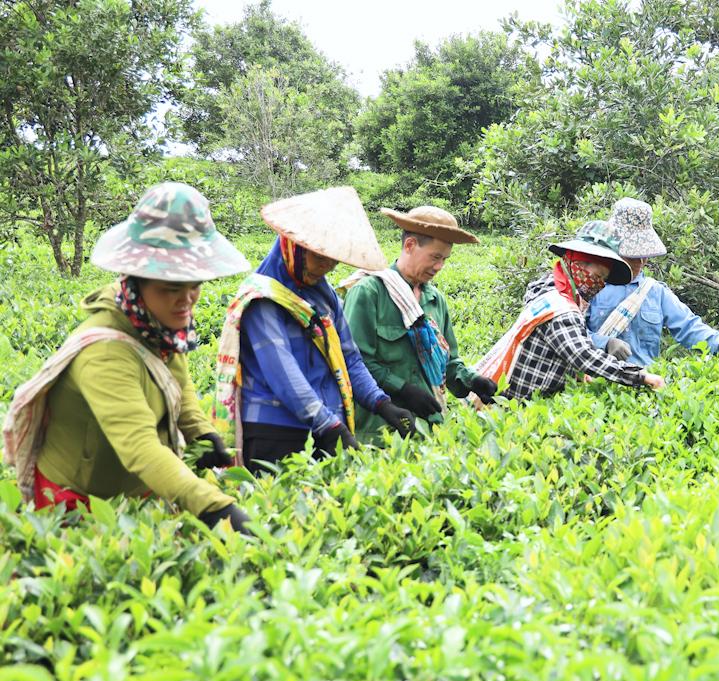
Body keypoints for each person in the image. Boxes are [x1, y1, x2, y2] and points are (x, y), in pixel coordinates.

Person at [2, 183, 252, 533]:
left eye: (194, 284)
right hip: (78, 503)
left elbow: (180, 384)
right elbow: (140, 448)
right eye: (170, 288)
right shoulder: (104, 353)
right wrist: (214, 508)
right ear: (136, 281)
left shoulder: (159, 325)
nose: (187, 300)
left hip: (136, 496)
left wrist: (200, 433)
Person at [213, 186, 416, 472]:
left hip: (326, 427)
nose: (326, 268)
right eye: (320, 258)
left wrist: (382, 403)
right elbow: (283, 375)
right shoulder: (262, 298)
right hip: (276, 430)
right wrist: (331, 427)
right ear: (293, 247)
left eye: (333, 261)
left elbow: (350, 358)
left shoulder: (324, 295)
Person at [341, 205, 497, 441]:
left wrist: (472, 380)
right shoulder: (369, 293)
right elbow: (354, 362)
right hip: (379, 431)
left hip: (428, 429)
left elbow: (449, 362)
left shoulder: (435, 300)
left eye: (444, 259)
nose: (439, 267)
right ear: (410, 245)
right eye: (435, 257)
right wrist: (402, 388)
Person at [474, 223, 665, 399]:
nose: (599, 285)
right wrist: (640, 377)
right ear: (578, 264)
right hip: (510, 404)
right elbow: (582, 355)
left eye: (603, 280)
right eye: (598, 276)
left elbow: (566, 345)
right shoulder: (560, 308)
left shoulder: (550, 287)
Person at [585, 198, 719, 365]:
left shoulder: (655, 292)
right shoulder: (592, 287)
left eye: (643, 254)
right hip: (598, 383)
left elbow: (688, 326)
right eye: (632, 255)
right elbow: (569, 334)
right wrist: (604, 343)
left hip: (645, 383)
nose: (640, 262)